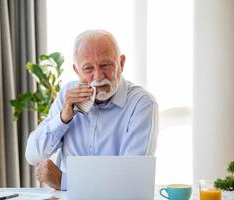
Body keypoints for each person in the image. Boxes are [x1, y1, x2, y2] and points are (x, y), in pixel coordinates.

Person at [25, 29, 158, 191]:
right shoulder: (68, 94)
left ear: (121, 63)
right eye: (88, 68)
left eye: (105, 65)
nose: (98, 76)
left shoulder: (141, 103)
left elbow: (131, 179)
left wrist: (64, 181)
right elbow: (32, 155)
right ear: (77, 71)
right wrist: (63, 118)